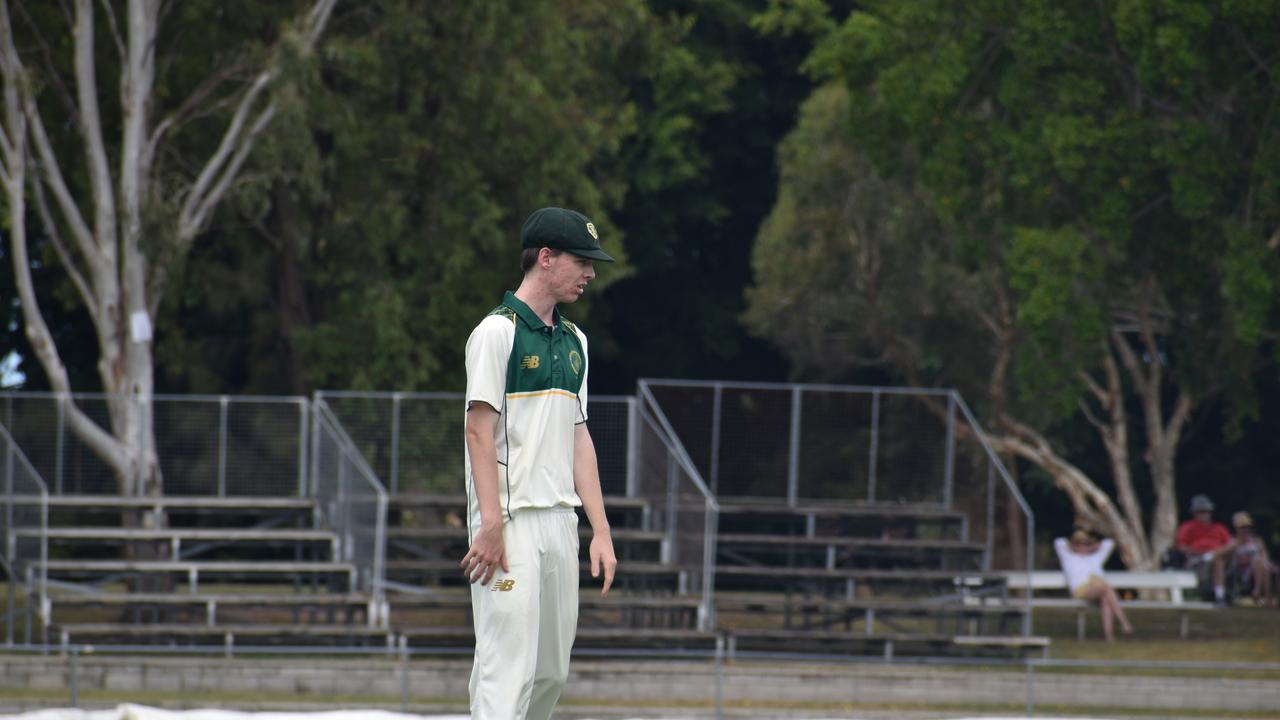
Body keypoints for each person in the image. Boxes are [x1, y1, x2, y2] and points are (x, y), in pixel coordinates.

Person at [461, 206, 618, 719]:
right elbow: (478, 431)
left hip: (559, 523)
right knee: (508, 673)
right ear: (546, 259)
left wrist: (600, 529)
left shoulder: (577, 343)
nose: (591, 273)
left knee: (550, 673)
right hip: (511, 523)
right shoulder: (495, 333)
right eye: (583, 261)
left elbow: (578, 435)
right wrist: (490, 524)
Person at [1053, 529, 1134, 642]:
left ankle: (1109, 637)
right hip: (1082, 589)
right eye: (1080, 544)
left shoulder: (1095, 558)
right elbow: (1059, 542)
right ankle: (1123, 622)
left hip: (1098, 588)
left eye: (1086, 544)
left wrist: (1092, 547)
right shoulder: (1068, 557)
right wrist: (1073, 547)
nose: (1083, 547)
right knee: (1106, 588)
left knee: (1105, 599)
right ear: (1074, 546)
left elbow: (1108, 543)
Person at [1173, 494, 1233, 603]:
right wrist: (1197, 553)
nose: (1205, 515)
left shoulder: (1219, 528)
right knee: (1218, 561)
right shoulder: (1187, 527)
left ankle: (1210, 557)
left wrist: (1213, 554)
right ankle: (1219, 595)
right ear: (1194, 513)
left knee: (1230, 548)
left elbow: (1231, 545)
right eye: (1201, 512)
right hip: (1197, 560)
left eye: (1207, 511)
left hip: (1222, 559)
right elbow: (1181, 546)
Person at [1226, 511, 1276, 607]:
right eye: (1243, 527)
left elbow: (1264, 555)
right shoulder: (1233, 542)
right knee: (1259, 562)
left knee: (1264, 565)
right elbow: (1232, 562)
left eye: (1247, 527)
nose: (1246, 530)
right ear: (1237, 528)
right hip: (1242, 571)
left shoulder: (1257, 541)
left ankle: (1262, 595)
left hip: (1260, 567)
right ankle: (1262, 594)